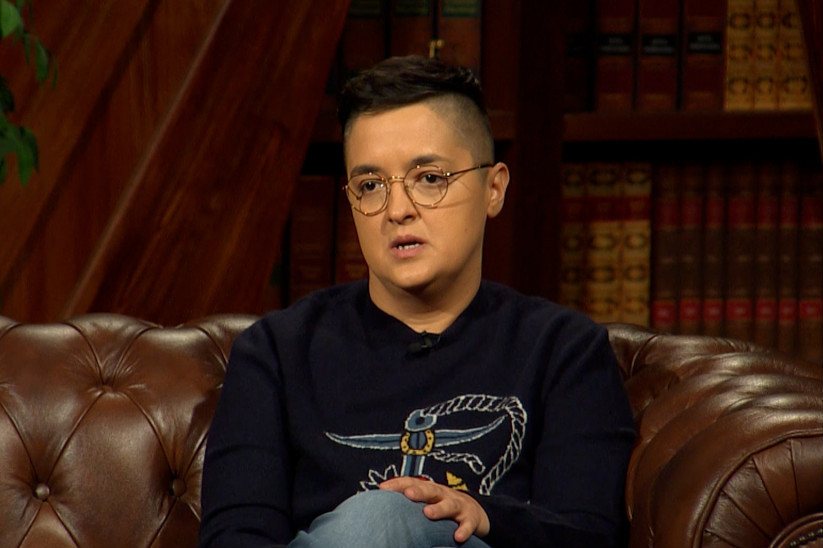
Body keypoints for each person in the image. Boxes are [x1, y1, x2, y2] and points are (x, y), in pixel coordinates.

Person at [198, 55, 636, 548]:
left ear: (493, 189)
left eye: (429, 178)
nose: (398, 211)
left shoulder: (564, 350)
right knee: (376, 521)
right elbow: (233, 538)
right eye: (370, 186)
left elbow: (588, 537)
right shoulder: (275, 353)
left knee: (390, 517)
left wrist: (480, 514)